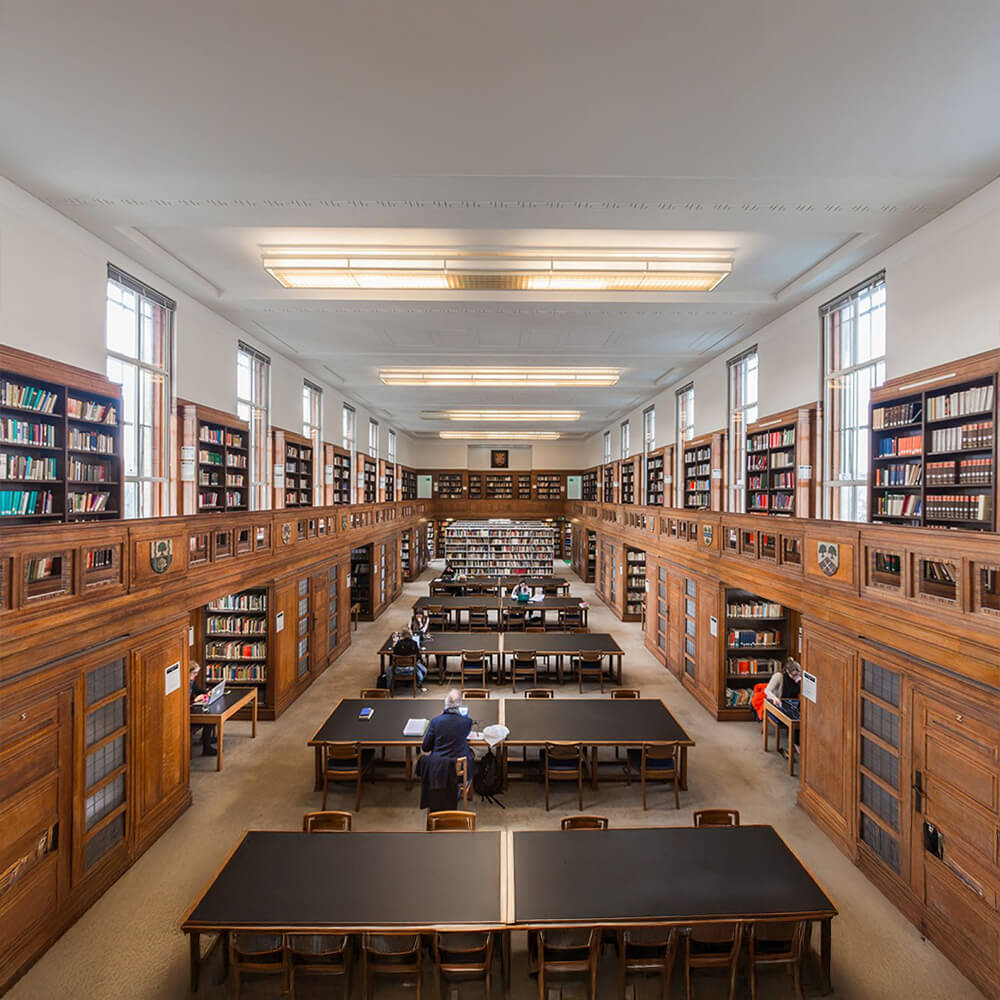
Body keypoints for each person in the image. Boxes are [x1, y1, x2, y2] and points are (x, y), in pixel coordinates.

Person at [422, 688, 476, 782]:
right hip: (460, 771)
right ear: (460, 705)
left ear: (445, 705)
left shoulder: (435, 721)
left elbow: (425, 747)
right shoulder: (467, 722)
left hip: (439, 770)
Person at [189, 662, 217, 756]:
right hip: (186, 711)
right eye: (194, 673)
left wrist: (207, 692)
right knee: (209, 721)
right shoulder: (182, 683)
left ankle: (207, 739)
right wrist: (194, 700)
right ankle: (207, 748)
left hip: (191, 707)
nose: (196, 675)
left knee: (211, 714)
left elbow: (198, 690)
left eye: (197, 673)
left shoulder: (192, 681)